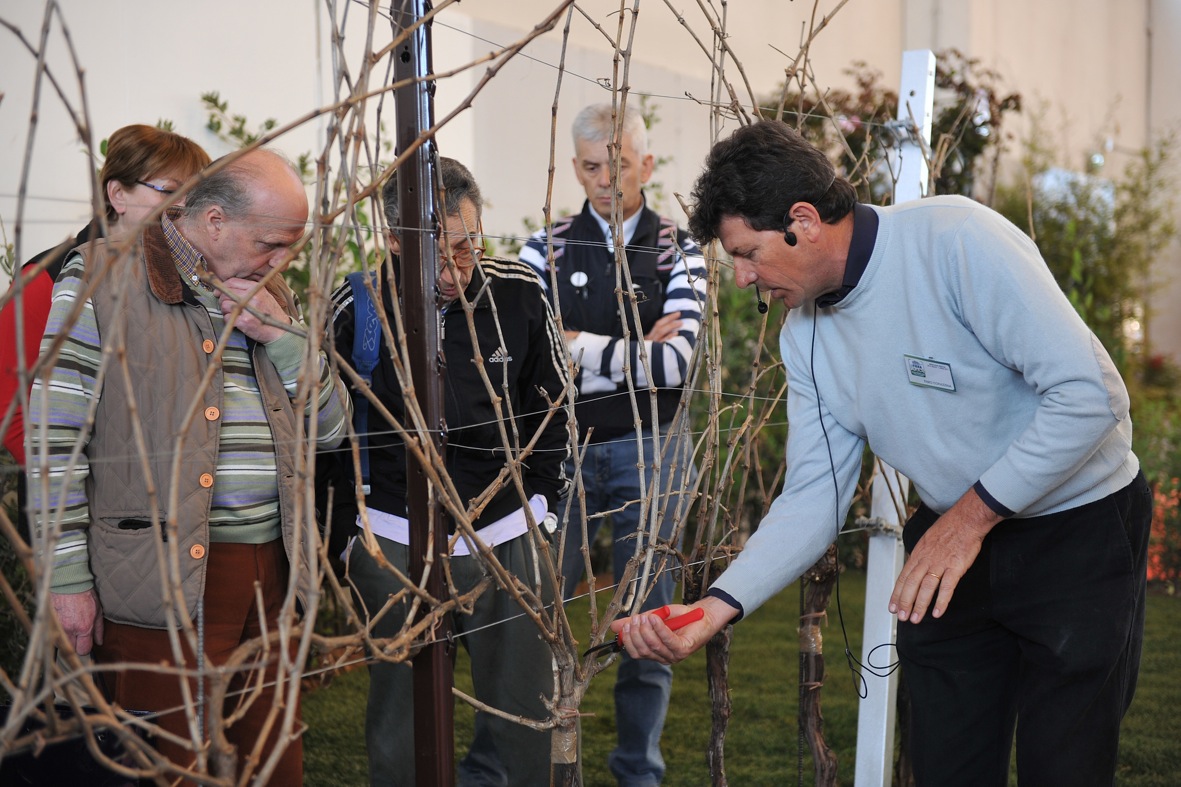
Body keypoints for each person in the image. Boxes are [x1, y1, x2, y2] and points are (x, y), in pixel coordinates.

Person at [612, 119, 1151, 786]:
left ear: (802, 221)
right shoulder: (802, 336)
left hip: (1080, 529)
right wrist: (711, 608)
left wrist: (966, 521)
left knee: (1063, 766)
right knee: (945, 765)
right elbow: (815, 494)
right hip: (952, 545)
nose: (745, 278)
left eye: (747, 252)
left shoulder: (954, 240)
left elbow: (1088, 395)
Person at [28, 148, 350, 783]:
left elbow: (332, 430)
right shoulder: (102, 275)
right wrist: (64, 579)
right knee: (171, 766)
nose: (281, 260)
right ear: (212, 220)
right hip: (157, 580)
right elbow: (52, 437)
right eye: (271, 243)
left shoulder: (272, 292)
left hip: (273, 573)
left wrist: (279, 337)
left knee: (268, 761)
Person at [328, 157, 571, 786]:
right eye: (437, 250)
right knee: (400, 734)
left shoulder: (520, 291)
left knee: (528, 724)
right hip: (395, 545)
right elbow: (325, 434)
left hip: (508, 539)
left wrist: (542, 513)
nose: (456, 266)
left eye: (467, 244)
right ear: (391, 239)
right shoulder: (359, 304)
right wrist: (351, 540)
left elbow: (556, 410)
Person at [518, 102, 706, 786]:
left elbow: (676, 365)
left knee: (649, 619)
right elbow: (531, 358)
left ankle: (638, 770)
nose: (604, 180)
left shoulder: (678, 248)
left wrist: (579, 345)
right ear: (574, 166)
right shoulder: (544, 246)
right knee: (540, 610)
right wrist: (628, 349)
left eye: (618, 165)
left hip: (652, 448)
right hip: (560, 451)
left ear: (645, 165)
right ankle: (534, 759)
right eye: (591, 166)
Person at [1, 125, 210, 534]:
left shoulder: (192, 279)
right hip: (74, 515)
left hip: (164, 516)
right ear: (118, 195)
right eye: (170, 191)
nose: (186, 205)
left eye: (196, 194)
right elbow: (14, 415)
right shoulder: (48, 277)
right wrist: (91, 490)